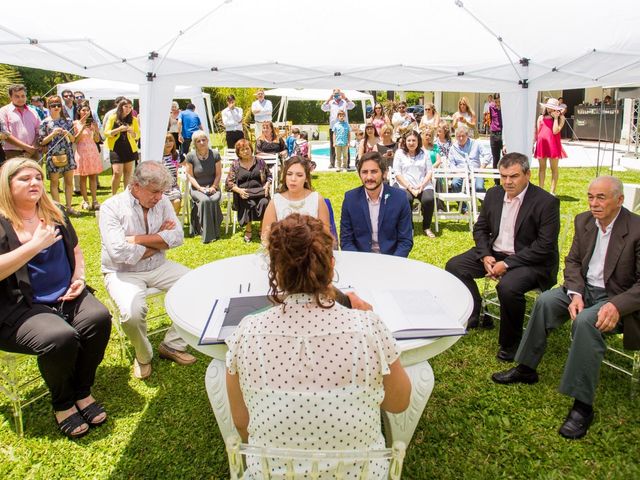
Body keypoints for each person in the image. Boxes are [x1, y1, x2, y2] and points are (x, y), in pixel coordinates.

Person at [226, 213, 411, 478]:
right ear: (331, 265)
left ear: (276, 270)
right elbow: (398, 402)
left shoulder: (247, 332)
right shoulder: (368, 327)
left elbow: (242, 423)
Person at [492, 176, 640, 440]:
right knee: (545, 301)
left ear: (620, 200)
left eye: (601, 198)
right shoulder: (584, 220)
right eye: (590, 197)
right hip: (582, 290)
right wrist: (575, 293)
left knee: (585, 322)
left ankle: (582, 406)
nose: (594, 203)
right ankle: (526, 367)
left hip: (617, 297)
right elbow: (572, 262)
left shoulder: (637, 229)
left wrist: (617, 305)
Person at [0, 158, 112, 438]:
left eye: (38, 177)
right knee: (58, 338)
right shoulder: (2, 223)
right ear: (6, 185)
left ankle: (82, 390)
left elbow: (75, 249)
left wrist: (79, 278)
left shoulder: (55, 211)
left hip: (66, 294)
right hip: (19, 307)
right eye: (24, 179)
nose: (34, 182)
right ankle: (63, 402)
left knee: (98, 319)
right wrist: (35, 244)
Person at [445, 153, 560, 360]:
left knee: (507, 287)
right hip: (495, 252)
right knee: (454, 266)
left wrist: (506, 264)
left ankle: (511, 344)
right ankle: (477, 312)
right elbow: (480, 228)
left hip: (531, 260)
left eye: (514, 176)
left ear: (528, 174)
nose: (508, 182)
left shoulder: (546, 202)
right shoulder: (494, 194)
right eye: (504, 176)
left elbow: (544, 246)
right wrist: (486, 256)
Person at [99, 161, 197, 380]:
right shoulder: (111, 207)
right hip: (122, 272)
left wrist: (135, 240)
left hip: (158, 266)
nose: (159, 197)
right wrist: (159, 241)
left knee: (197, 286)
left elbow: (177, 237)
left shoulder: (162, 202)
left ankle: (172, 344)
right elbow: (119, 254)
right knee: (132, 312)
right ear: (135, 185)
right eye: (154, 192)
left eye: (162, 192)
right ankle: (143, 356)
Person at [340, 151, 413, 256]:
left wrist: (394, 263)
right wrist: (358, 262)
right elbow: (346, 240)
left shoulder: (400, 198)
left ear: (384, 173)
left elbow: (405, 241)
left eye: (374, 171)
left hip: (391, 259)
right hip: (361, 259)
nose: (369, 177)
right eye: (364, 172)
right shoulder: (350, 199)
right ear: (359, 174)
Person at [261, 156, 330, 240]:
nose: (293, 179)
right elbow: (266, 236)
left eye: (299, 175)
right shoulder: (275, 201)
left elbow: (325, 235)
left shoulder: (317, 199)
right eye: (289, 174)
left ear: (306, 178)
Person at [225, 139, 272, 243]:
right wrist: (239, 190)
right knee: (247, 202)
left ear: (251, 149)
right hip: (244, 193)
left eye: (247, 148)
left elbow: (269, 176)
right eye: (242, 150)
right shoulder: (235, 164)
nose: (246, 151)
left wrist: (267, 185)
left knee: (264, 202)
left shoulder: (260, 162)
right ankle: (248, 229)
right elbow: (229, 183)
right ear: (238, 153)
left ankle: (262, 229)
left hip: (260, 192)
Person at [39, 95, 77, 215]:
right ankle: (58, 209)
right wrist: (52, 134)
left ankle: (69, 207)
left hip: (68, 153)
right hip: (53, 155)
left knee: (69, 181)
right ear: (48, 107)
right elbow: (41, 141)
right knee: (54, 182)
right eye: (53, 105)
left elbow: (73, 139)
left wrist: (67, 133)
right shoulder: (45, 122)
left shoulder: (68, 121)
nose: (56, 107)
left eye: (58, 105)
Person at [393, 130, 436, 238]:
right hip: (405, 185)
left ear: (418, 141)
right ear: (405, 141)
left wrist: (422, 185)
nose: (411, 143)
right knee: (406, 199)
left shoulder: (424, 153)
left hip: (423, 184)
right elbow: (397, 174)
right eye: (409, 140)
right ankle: (410, 227)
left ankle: (426, 227)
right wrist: (410, 188)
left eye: (414, 140)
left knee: (429, 199)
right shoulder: (399, 153)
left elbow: (429, 171)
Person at [185, 130, 223, 243]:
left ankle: (215, 230)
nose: (201, 142)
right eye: (198, 141)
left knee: (214, 198)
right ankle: (209, 234)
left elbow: (218, 174)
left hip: (213, 187)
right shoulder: (190, 156)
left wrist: (214, 187)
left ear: (207, 140)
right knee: (205, 200)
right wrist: (200, 188)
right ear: (194, 143)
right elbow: (190, 176)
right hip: (197, 188)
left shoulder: (215, 154)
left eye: (204, 140)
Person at [104, 98, 140, 195]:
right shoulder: (113, 118)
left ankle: (126, 196)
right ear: (121, 107)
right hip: (116, 148)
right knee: (117, 173)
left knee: (128, 174)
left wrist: (132, 132)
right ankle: (113, 196)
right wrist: (118, 129)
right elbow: (106, 133)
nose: (128, 109)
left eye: (130, 107)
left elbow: (138, 135)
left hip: (129, 148)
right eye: (125, 106)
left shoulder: (134, 120)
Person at [448, 125, 487, 213]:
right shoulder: (453, 148)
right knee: (455, 184)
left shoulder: (476, 144)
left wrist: (481, 168)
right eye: (458, 136)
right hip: (460, 173)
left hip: (476, 172)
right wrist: (457, 173)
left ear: (467, 135)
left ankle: (487, 205)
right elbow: (451, 163)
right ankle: (464, 208)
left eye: (463, 136)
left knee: (479, 187)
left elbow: (487, 155)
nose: (461, 138)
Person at [73, 101, 103, 211]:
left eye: (87, 110)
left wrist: (95, 130)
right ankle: (85, 200)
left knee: (93, 177)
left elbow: (97, 140)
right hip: (82, 151)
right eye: (83, 110)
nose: (85, 112)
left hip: (92, 151)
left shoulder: (93, 123)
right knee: (83, 178)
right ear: (79, 112)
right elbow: (75, 140)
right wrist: (81, 129)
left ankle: (95, 200)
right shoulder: (76, 123)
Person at [534, 98, 566, 196]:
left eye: (552, 108)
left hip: (553, 145)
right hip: (542, 145)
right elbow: (538, 132)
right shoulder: (540, 118)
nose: (549, 109)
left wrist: (556, 118)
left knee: (554, 168)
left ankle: (552, 191)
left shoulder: (561, 118)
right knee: (542, 168)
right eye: (548, 107)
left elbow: (555, 131)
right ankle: (541, 189)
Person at [0, 84, 40, 160]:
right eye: (17, 96)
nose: (20, 99)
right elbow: (5, 134)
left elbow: (39, 132)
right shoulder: (4, 111)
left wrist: (33, 148)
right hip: (13, 153)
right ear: (10, 97)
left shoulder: (33, 111)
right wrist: (26, 147)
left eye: (23, 96)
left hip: (33, 152)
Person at [321, 89, 355, 169]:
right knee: (333, 145)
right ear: (333, 94)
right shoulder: (331, 102)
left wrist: (345, 97)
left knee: (346, 144)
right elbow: (323, 108)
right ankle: (332, 163)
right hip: (333, 127)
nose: (336, 95)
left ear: (341, 94)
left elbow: (352, 106)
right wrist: (329, 99)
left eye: (338, 93)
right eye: (335, 94)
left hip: (344, 127)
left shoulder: (344, 102)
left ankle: (347, 163)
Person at [161, 133, 182, 216]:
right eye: (166, 141)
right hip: (160, 187)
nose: (169, 143)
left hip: (173, 187)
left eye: (171, 141)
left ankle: (172, 223)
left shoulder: (176, 155)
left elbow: (188, 164)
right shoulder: (158, 156)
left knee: (177, 202)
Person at [488, 94, 506, 185]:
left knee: (506, 158)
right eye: (496, 102)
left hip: (503, 133)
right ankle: (496, 182)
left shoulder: (506, 107)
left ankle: (506, 179)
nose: (498, 104)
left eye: (499, 101)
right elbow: (491, 118)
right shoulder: (491, 107)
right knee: (496, 158)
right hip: (494, 134)